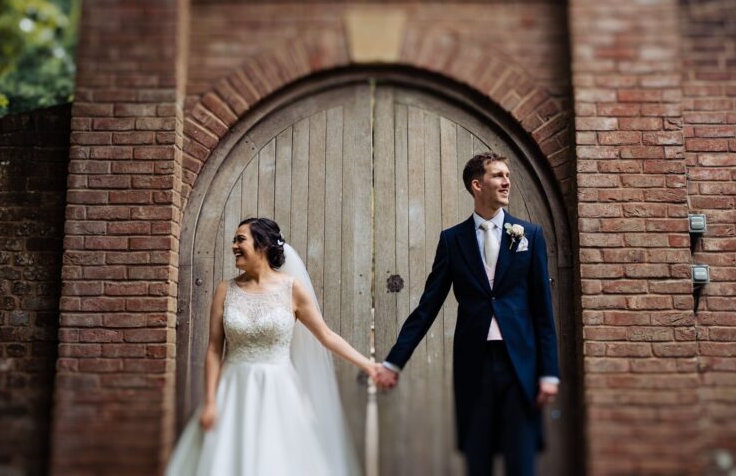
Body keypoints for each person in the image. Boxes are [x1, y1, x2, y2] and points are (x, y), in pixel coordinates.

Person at [376, 152, 560, 476]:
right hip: (474, 364)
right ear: (477, 185)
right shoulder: (452, 240)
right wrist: (394, 362)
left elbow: (542, 311)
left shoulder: (529, 235)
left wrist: (549, 372)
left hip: (522, 365)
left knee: (522, 461)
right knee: (478, 460)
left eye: (508, 175)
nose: (507, 182)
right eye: (498, 175)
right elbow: (427, 307)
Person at [166, 217, 377, 475]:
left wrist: (368, 365)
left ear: (262, 244)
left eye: (240, 239)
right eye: (234, 239)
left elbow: (326, 335)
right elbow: (213, 350)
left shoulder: (292, 289)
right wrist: (210, 401)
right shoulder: (225, 290)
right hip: (233, 392)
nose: (234, 245)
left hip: (279, 393)